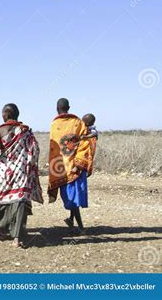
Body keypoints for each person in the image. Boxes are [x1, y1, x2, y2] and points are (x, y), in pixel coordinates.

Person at [0, 104, 43, 248]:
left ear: (7, 114)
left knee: (7, 200)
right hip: (22, 170)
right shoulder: (26, 131)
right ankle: (15, 236)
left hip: (5, 173)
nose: (2, 116)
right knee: (20, 201)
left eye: (3, 113)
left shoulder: (0, 130)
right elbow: (35, 150)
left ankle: (3, 229)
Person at [48, 98, 92, 234]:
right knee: (73, 196)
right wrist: (79, 162)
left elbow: (54, 148)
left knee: (72, 198)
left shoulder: (54, 124)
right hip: (75, 166)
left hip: (62, 167)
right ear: (69, 107)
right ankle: (72, 220)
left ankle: (80, 227)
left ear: (57, 108)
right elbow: (85, 143)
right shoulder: (78, 123)